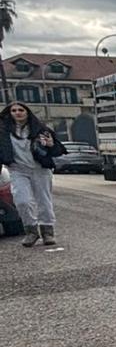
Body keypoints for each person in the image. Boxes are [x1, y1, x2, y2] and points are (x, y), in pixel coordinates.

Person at [0, 102, 66, 250]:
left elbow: (58, 150)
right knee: (22, 200)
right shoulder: (4, 131)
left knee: (44, 201)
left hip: (40, 169)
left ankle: (47, 231)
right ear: (9, 113)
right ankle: (31, 230)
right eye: (14, 110)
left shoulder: (40, 129)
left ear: (27, 112)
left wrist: (50, 145)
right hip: (17, 170)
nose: (18, 113)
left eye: (21, 110)